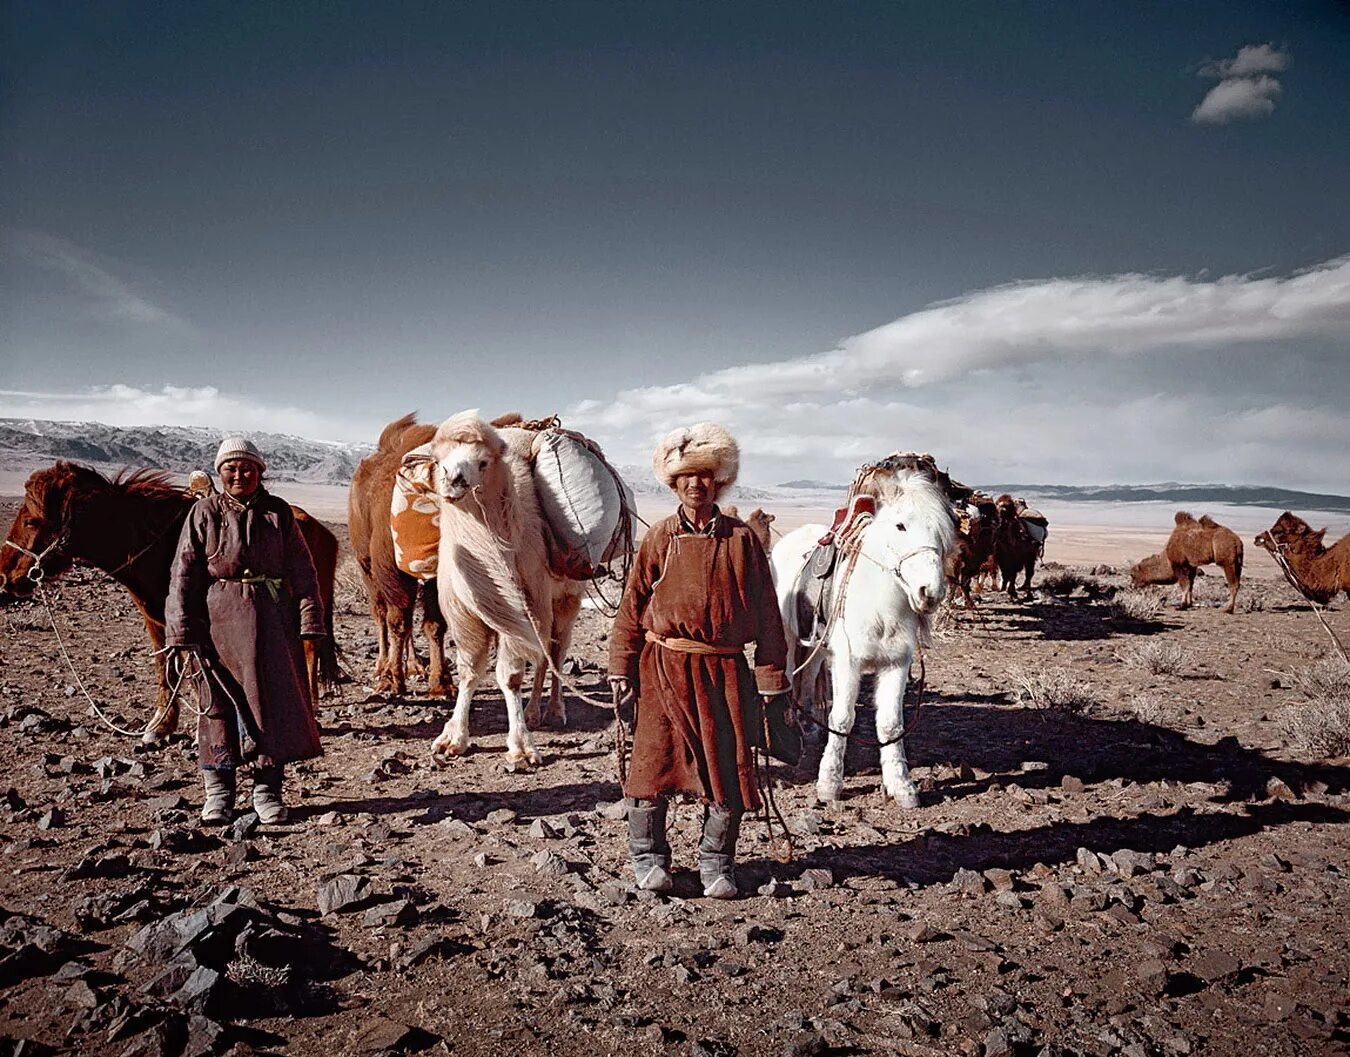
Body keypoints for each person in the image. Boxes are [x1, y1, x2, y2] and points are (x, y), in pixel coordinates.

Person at [608, 422, 790, 899]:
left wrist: (771, 679)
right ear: (673, 483)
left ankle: (716, 866)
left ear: (720, 481)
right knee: (651, 765)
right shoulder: (659, 539)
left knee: (725, 768)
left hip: (724, 673)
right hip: (662, 667)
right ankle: (648, 860)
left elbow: (769, 615)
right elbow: (631, 607)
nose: (696, 484)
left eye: (706, 476)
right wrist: (620, 667)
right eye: (686, 477)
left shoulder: (742, 541)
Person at [165, 436, 324, 824]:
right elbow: (183, 573)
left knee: (269, 706)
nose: (240, 475)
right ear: (220, 474)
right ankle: (218, 792)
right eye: (231, 469)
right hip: (216, 624)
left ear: (259, 472)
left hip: (272, 624)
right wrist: (181, 629)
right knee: (217, 706)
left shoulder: (278, 513)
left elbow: (303, 572)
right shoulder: (203, 512)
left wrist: (310, 620)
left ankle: (267, 790)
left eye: (248, 468)